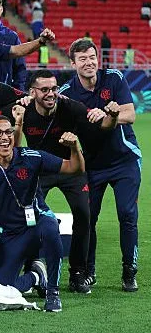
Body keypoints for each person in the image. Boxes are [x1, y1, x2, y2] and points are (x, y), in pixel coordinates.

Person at [0, 116, 86, 312]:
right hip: (11, 235)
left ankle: (53, 292)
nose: (4, 137)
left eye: (8, 132)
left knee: (51, 229)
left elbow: (75, 167)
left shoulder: (31, 157)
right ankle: (36, 276)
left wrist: (74, 147)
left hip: (38, 223)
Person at [17, 69, 118, 294]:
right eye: (44, 89)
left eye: (54, 88)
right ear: (32, 92)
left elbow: (104, 126)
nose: (51, 93)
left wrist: (111, 115)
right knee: (28, 217)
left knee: (83, 214)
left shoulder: (71, 107)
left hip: (70, 167)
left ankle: (78, 273)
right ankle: (32, 269)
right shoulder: (23, 109)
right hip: (39, 170)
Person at [59, 39, 139, 292]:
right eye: (82, 59)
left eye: (92, 57)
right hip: (92, 165)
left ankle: (129, 271)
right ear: (73, 63)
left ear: (98, 59)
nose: (89, 62)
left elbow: (130, 114)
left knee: (127, 215)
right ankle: (88, 271)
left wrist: (108, 114)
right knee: (88, 218)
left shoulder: (114, 78)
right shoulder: (67, 92)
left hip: (124, 159)